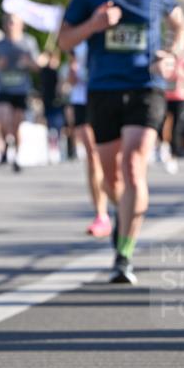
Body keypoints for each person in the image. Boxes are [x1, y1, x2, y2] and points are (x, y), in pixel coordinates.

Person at [58, 0, 184, 284]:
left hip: (146, 86)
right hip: (102, 89)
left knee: (134, 166)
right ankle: (124, 213)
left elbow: (181, 28)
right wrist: (93, 26)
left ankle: (123, 254)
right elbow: (64, 40)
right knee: (111, 177)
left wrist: (170, 54)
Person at [66, 41, 111, 237]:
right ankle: (101, 214)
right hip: (82, 99)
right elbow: (71, 73)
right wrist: (73, 72)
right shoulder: (79, 31)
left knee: (110, 158)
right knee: (92, 154)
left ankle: (119, 203)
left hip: (109, 95)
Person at [0, 13, 40, 172]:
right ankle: (5, 144)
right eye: (8, 22)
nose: (11, 25)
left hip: (21, 90)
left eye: (14, 22)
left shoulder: (29, 42)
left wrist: (28, 63)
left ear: (21, 25)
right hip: (3, 88)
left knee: (16, 124)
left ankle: (16, 154)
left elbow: (37, 67)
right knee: (3, 118)